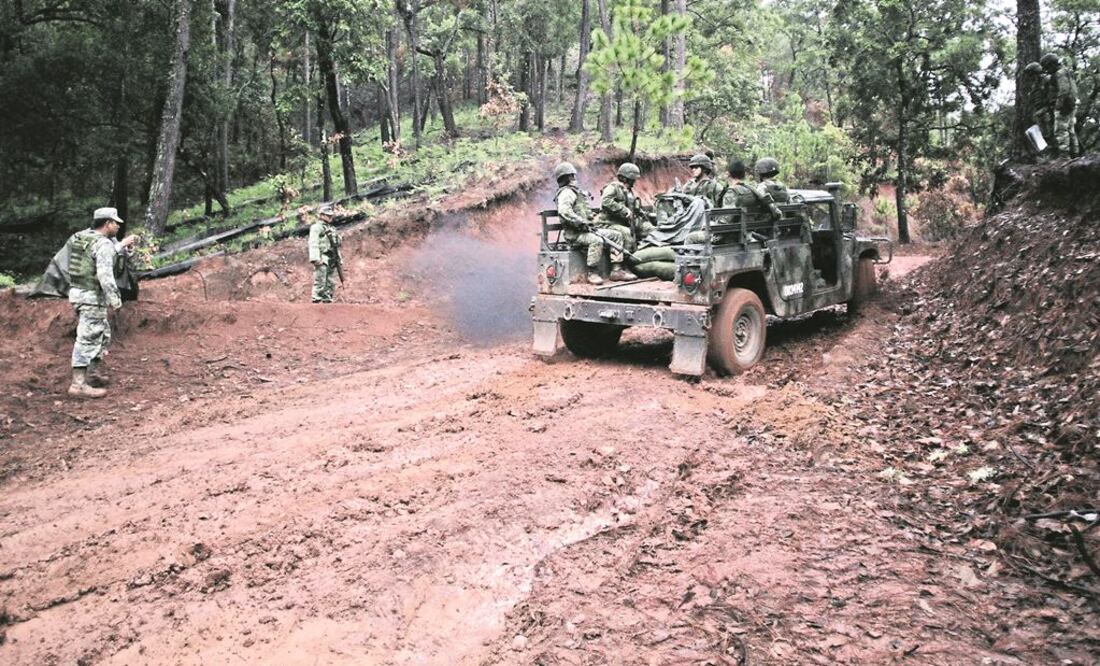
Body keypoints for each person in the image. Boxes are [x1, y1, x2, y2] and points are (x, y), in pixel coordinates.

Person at [65, 207, 136, 397]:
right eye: (116, 223)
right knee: (87, 338)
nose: (119, 226)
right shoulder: (103, 245)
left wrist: (120, 246)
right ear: (107, 224)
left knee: (102, 333)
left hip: (78, 292)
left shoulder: (80, 237)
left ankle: (93, 373)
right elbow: (105, 276)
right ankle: (78, 385)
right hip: (91, 297)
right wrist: (116, 300)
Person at [553, 161, 634, 285]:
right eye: (571, 176)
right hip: (575, 234)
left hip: (587, 229)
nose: (574, 178)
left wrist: (590, 220)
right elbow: (564, 212)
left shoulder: (575, 192)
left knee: (616, 235)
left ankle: (616, 270)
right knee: (596, 240)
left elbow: (582, 212)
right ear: (567, 177)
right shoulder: (566, 193)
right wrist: (580, 222)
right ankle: (592, 272)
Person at [598, 162, 653, 252]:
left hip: (626, 222)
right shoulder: (613, 187)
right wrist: (624, 210)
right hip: (609, 223)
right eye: (631, 179)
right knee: (626, 234)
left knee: (650, 229)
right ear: (624, 178)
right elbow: (606, 201)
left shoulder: (629, 191)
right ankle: (625, 261)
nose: (634, 181)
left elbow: (634, 208)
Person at [1040, 53, 1079, 158]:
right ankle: (1075, 153)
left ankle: (1064, 156)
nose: (1047, 70)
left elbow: (1064, 90)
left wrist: (1059, 104)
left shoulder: (1060, 73)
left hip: (1065, 104)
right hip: (1071, 103)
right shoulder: (1066, 71)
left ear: (1051, 65)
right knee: (1070, 130)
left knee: (1061, 130)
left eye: (1047, 67)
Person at [307, 207, 342, 303]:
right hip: (322, 256)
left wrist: (339, 258)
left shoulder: (331, 228)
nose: (330, 217)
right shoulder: (316, 227)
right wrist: (315, 258)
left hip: (332, 257)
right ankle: (316, 300)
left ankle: (327, 300)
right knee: (320, 280)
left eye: (331, 215)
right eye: (328, 215)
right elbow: (313, 243)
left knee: (330, 282)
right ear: (321, 215)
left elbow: (337, 244)